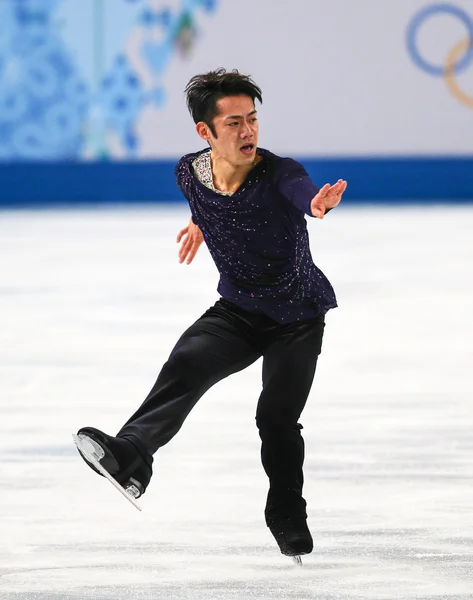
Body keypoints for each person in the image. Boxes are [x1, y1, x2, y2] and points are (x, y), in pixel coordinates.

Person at [75, 68, 347, 559]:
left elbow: (300, 192)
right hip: (239, 309)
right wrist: (200, 222)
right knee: (186, 364)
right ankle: (131, 456)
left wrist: (317, 203)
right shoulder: (189, 172)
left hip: (297, 316)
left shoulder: (279, 173)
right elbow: (205, 200)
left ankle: (286, 514)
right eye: (234, 123)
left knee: (277, 419)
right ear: (206, 132)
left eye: (253, 119)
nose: (248, 131)